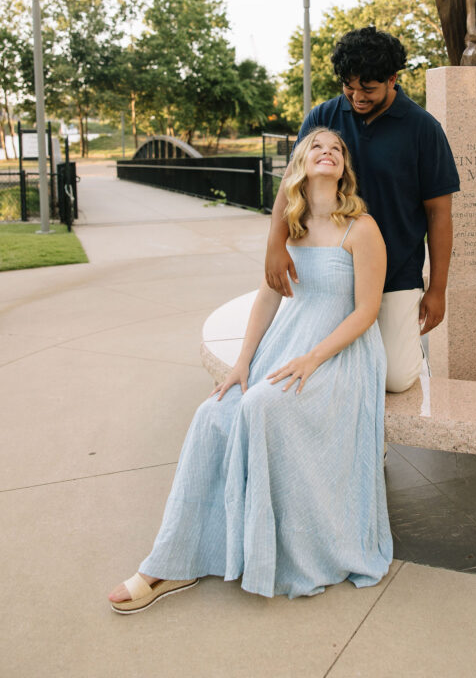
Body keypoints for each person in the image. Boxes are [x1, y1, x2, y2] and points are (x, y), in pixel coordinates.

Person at [108, 128, 391, 611]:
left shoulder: (360, 228)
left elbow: (365, 312)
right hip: (287, 345)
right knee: (212, 412)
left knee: (262, 406)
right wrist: (241, 363)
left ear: (344, 167)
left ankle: (263, 548)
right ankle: (172, 559)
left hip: (339, 355)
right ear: (300, 164)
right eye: (316, 148)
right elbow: (268, 293)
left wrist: (313, 358)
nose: (327, 153)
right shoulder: (293, 227)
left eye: (336, 150)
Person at [266, 26, 460, 394]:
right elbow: (288, 187)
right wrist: (274, 246)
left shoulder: (424, 129)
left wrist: (438, 288)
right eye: (348, 87)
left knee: (397, 379)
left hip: (396, 274)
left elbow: (440, 214)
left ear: (393, 79)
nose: (356, 96)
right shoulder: (322, 118)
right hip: (330, 271)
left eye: (367, 89)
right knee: (313, 365)